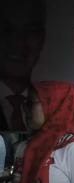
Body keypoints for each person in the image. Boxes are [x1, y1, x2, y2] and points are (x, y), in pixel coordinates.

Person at [0, 0, 46, 131]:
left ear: (42, 38)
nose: (18, 43)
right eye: (7, 30)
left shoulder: (54, 107)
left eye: (30, 30)